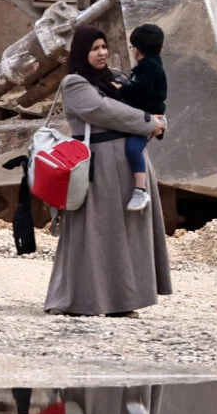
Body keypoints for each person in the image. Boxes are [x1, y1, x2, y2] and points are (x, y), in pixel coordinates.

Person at [44, 26, 173, 317]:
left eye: (104, 47)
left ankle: (122, 301)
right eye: (94, 48)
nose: (102, 53)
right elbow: (102, 110)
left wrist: (157, 118)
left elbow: (147, 98)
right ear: (81, 53)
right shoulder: (75, 83)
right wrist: (147, 121)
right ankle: (80, 300)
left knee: (127, 234)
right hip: (98, 167)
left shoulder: (114, 78)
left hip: (128, 165)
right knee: (95, 232)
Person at [113, 23, 168, 213]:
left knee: (133, 149)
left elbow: (142, 90)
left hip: (150, 118)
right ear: (160, 48)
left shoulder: (150, 67)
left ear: (136, 50)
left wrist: (122, 89)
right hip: (144, 116)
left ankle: (140, 189)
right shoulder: (148, 65)